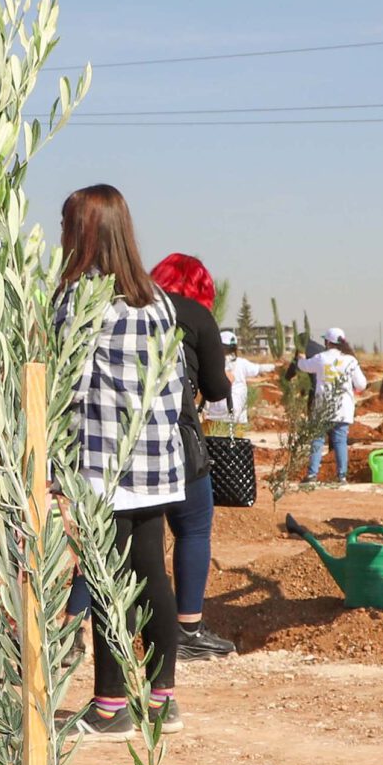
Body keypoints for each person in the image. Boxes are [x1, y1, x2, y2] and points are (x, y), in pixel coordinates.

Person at [59, 186, 186, 740]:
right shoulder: (157, 299)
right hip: (156, 460)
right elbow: (175, 382)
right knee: (152, 574)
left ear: (81, 234)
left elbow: (68, 385)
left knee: (107, 579)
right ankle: (163, 700)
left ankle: (111, 707)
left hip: (103, 464)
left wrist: (53, 469)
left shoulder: (81, 298)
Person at [149, 253, 234, 660]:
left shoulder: (135, 308)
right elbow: (216, 389)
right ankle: (188, 630)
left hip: (124, 440)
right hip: (179, 439)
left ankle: (75, 627)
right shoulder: (197, 316)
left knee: (116, 534)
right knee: (194, 527)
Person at [296, 329, 368, 483]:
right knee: (340, 442)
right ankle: (342, 476)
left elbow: (303, 366)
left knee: (317, 440)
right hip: (343, 408)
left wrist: (300, 357)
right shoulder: (350, 360)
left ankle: (312, 474)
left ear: (327, 342)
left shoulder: (321, 358)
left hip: (322, 407)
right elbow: (361, 384)